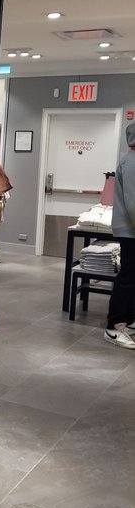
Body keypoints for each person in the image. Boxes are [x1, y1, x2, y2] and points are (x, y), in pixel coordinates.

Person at [104, 121, 135, 348]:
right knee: (127, 278)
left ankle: (129, 321)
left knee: (132, 277)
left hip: (131, 229)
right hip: (130, 231)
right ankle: (114, 327)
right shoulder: (132, 162)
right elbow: (133, 203)